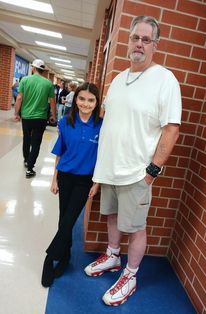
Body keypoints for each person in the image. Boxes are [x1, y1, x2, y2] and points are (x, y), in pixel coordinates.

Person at [84, 16, 182, 306]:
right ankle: (113, 256)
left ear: (155, 45)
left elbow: (172, 129)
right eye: (135, 38)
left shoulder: (164, 80)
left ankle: (131, 275)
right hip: (111, 169)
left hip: (137, 172)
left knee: (137, 227)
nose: (139, 44)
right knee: (112, 217)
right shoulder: (117, 79)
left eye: (146, 39)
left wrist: (151, 172)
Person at [41, 82, 102, 288]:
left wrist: (97, 183)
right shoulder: (66, 121)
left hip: (84, 180)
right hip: (66, 176)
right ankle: (65, 256)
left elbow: (103, 157)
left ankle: (49, 258)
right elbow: (60, 151)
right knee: (63, 219)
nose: (86, 104)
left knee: (68, 220)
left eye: (91, 100)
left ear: (96, 102)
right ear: (75, 100)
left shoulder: (102, 125)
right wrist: (54, 178)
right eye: (82, 99)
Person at [14, 59, 56, 178]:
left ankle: (26, 160)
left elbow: (19, 98)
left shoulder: (25, 80)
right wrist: (53, 116)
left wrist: (16, 113)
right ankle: (30, 169)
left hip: (26, 117)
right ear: (42, 70)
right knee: (36, 143)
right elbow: (52, 102)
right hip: (40, 118)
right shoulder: (48, 83)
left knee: (26, 139)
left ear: (33, 68)